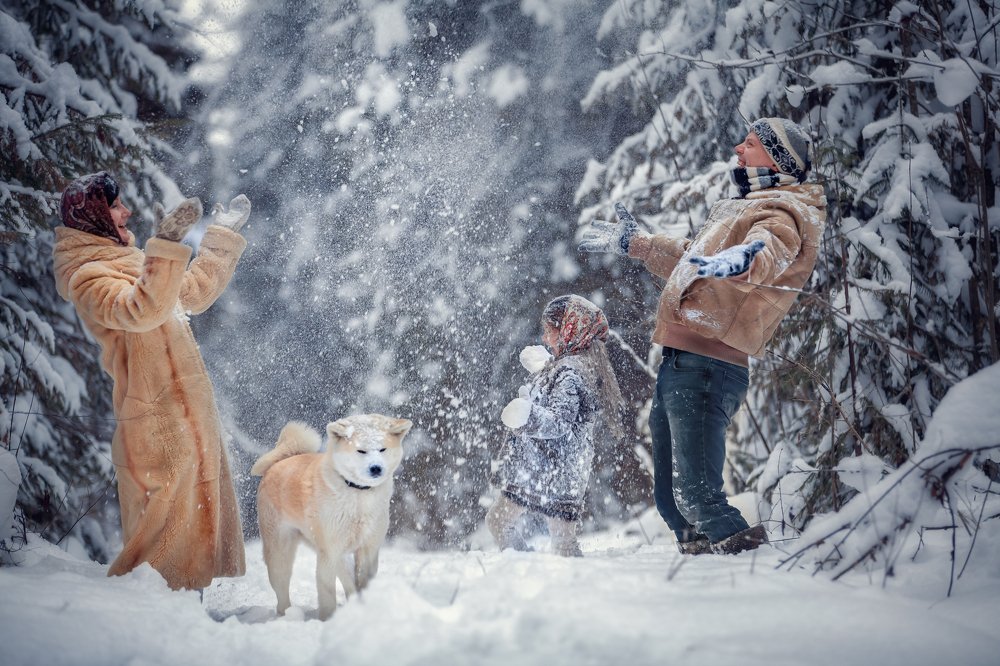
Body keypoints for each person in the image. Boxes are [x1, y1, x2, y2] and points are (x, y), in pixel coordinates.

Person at [579, 117, 827, 555]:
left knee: (700, 499)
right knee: (673, 504)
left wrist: (745, 259)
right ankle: (702, 572)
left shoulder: (783, 210)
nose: (738, 149)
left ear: (778, 158)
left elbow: (770, 246)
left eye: (749, 144)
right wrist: (640, 245)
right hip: (682, 361)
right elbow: (693, 258)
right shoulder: (744, 206)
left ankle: (754, 569)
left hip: (710, 365)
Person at [52, 171, 252, 589]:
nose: (126, 211)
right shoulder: (87, 277)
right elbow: (141, 310)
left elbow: (192, 293)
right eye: (115, 206)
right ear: (93, 218)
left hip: (186, 415)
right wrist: (164, 249)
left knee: (193, 519)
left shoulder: (135, 262)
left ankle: (185, 621)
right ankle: (151, 619)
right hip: (153, 420)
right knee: (161, 534)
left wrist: (219, 238)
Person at [487, 294, 624, 557]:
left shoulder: (570, 372)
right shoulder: (569, 367)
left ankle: (524, 570)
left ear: (568, 331)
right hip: (555, 472)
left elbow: (559, 422)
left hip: (549, 470)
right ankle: (533, 573)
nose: (544, 338)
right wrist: (541, 374)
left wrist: (526, 416)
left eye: (548, 331)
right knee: (559, 540)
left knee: (503, 523)